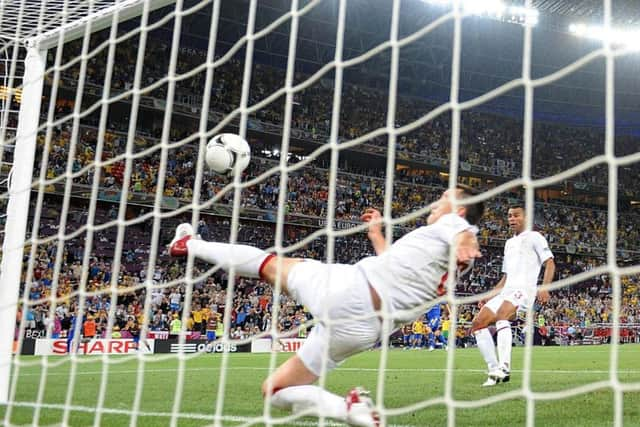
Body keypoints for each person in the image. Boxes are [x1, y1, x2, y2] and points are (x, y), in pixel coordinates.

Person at [169, 186, 484, 426]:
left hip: (350, 292)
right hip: (363, 331)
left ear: (459, 208)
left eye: (444, 196)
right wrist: (376, 234)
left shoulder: (454, 225)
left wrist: (467, 241)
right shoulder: (438, 249)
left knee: (269, 265)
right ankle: (350, 411)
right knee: (274, 390)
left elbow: (463, 231)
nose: (436, 202)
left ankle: (188, 244)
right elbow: (392, 265)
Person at [470, 204, 555, 387]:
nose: (512, 219)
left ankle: (505, 367)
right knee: (478, 324)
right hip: (507, 290)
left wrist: (545, 287)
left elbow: (549, 263)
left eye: (516, 215)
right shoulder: (509, 244)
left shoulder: (535, 237)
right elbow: (506, 276)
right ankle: (494, 370)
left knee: (502, 315)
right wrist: (489, 295)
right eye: (509, 216)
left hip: (524, 290)